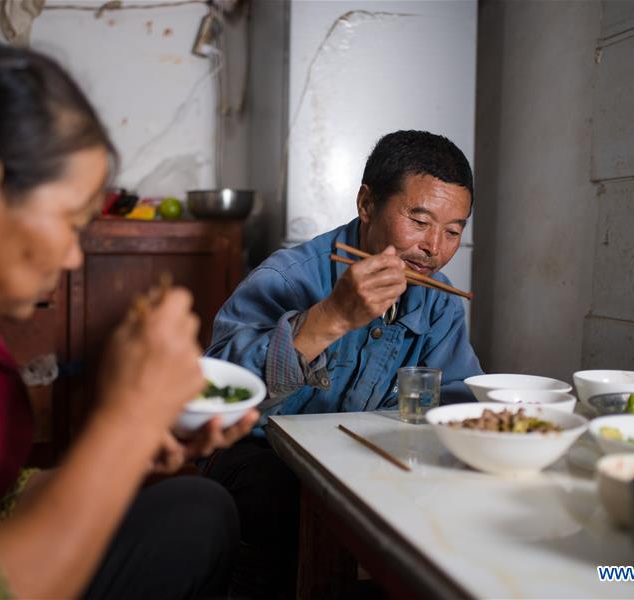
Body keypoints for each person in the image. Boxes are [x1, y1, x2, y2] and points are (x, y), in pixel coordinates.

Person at [0, 15, 258, 599]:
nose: (73, 257)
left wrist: (134, 449)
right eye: (70, 224)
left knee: (196, 506)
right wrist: (129, 419)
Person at [203, 129, 483, 597]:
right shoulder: (286, 278)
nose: (434, 248)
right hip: (260, 454)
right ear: (367, 204)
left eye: (453, 231)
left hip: (361, 456)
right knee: (278, 503)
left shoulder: (439, 303)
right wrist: (330, 317)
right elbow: (216, 400)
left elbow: (456, 400)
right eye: (419, 220)